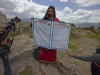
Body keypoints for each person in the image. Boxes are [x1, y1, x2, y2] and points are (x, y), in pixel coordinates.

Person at [0, 11, 15, 75]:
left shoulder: (3, 15)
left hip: (4, 44)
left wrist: (13, 24)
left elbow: (7, 28)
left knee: (6, 60)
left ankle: (8, 73)